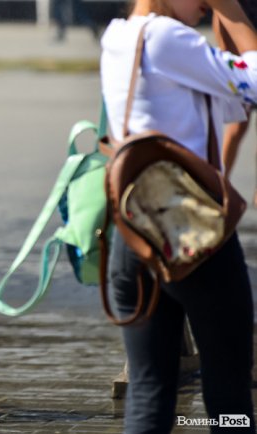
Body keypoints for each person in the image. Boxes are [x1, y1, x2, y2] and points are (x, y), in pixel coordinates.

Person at [100, 1, 257, 432]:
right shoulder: (170, 38)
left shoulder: (117, 37)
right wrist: (234, 12)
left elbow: (227, 106)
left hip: (135, 236)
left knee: (151, 392)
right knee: (229, 393)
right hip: (195, 235)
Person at [213, 0, 257, 205]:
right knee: (238, 126)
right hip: (243, 56)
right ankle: (217, 186)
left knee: (238, 127)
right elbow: (221, 18)